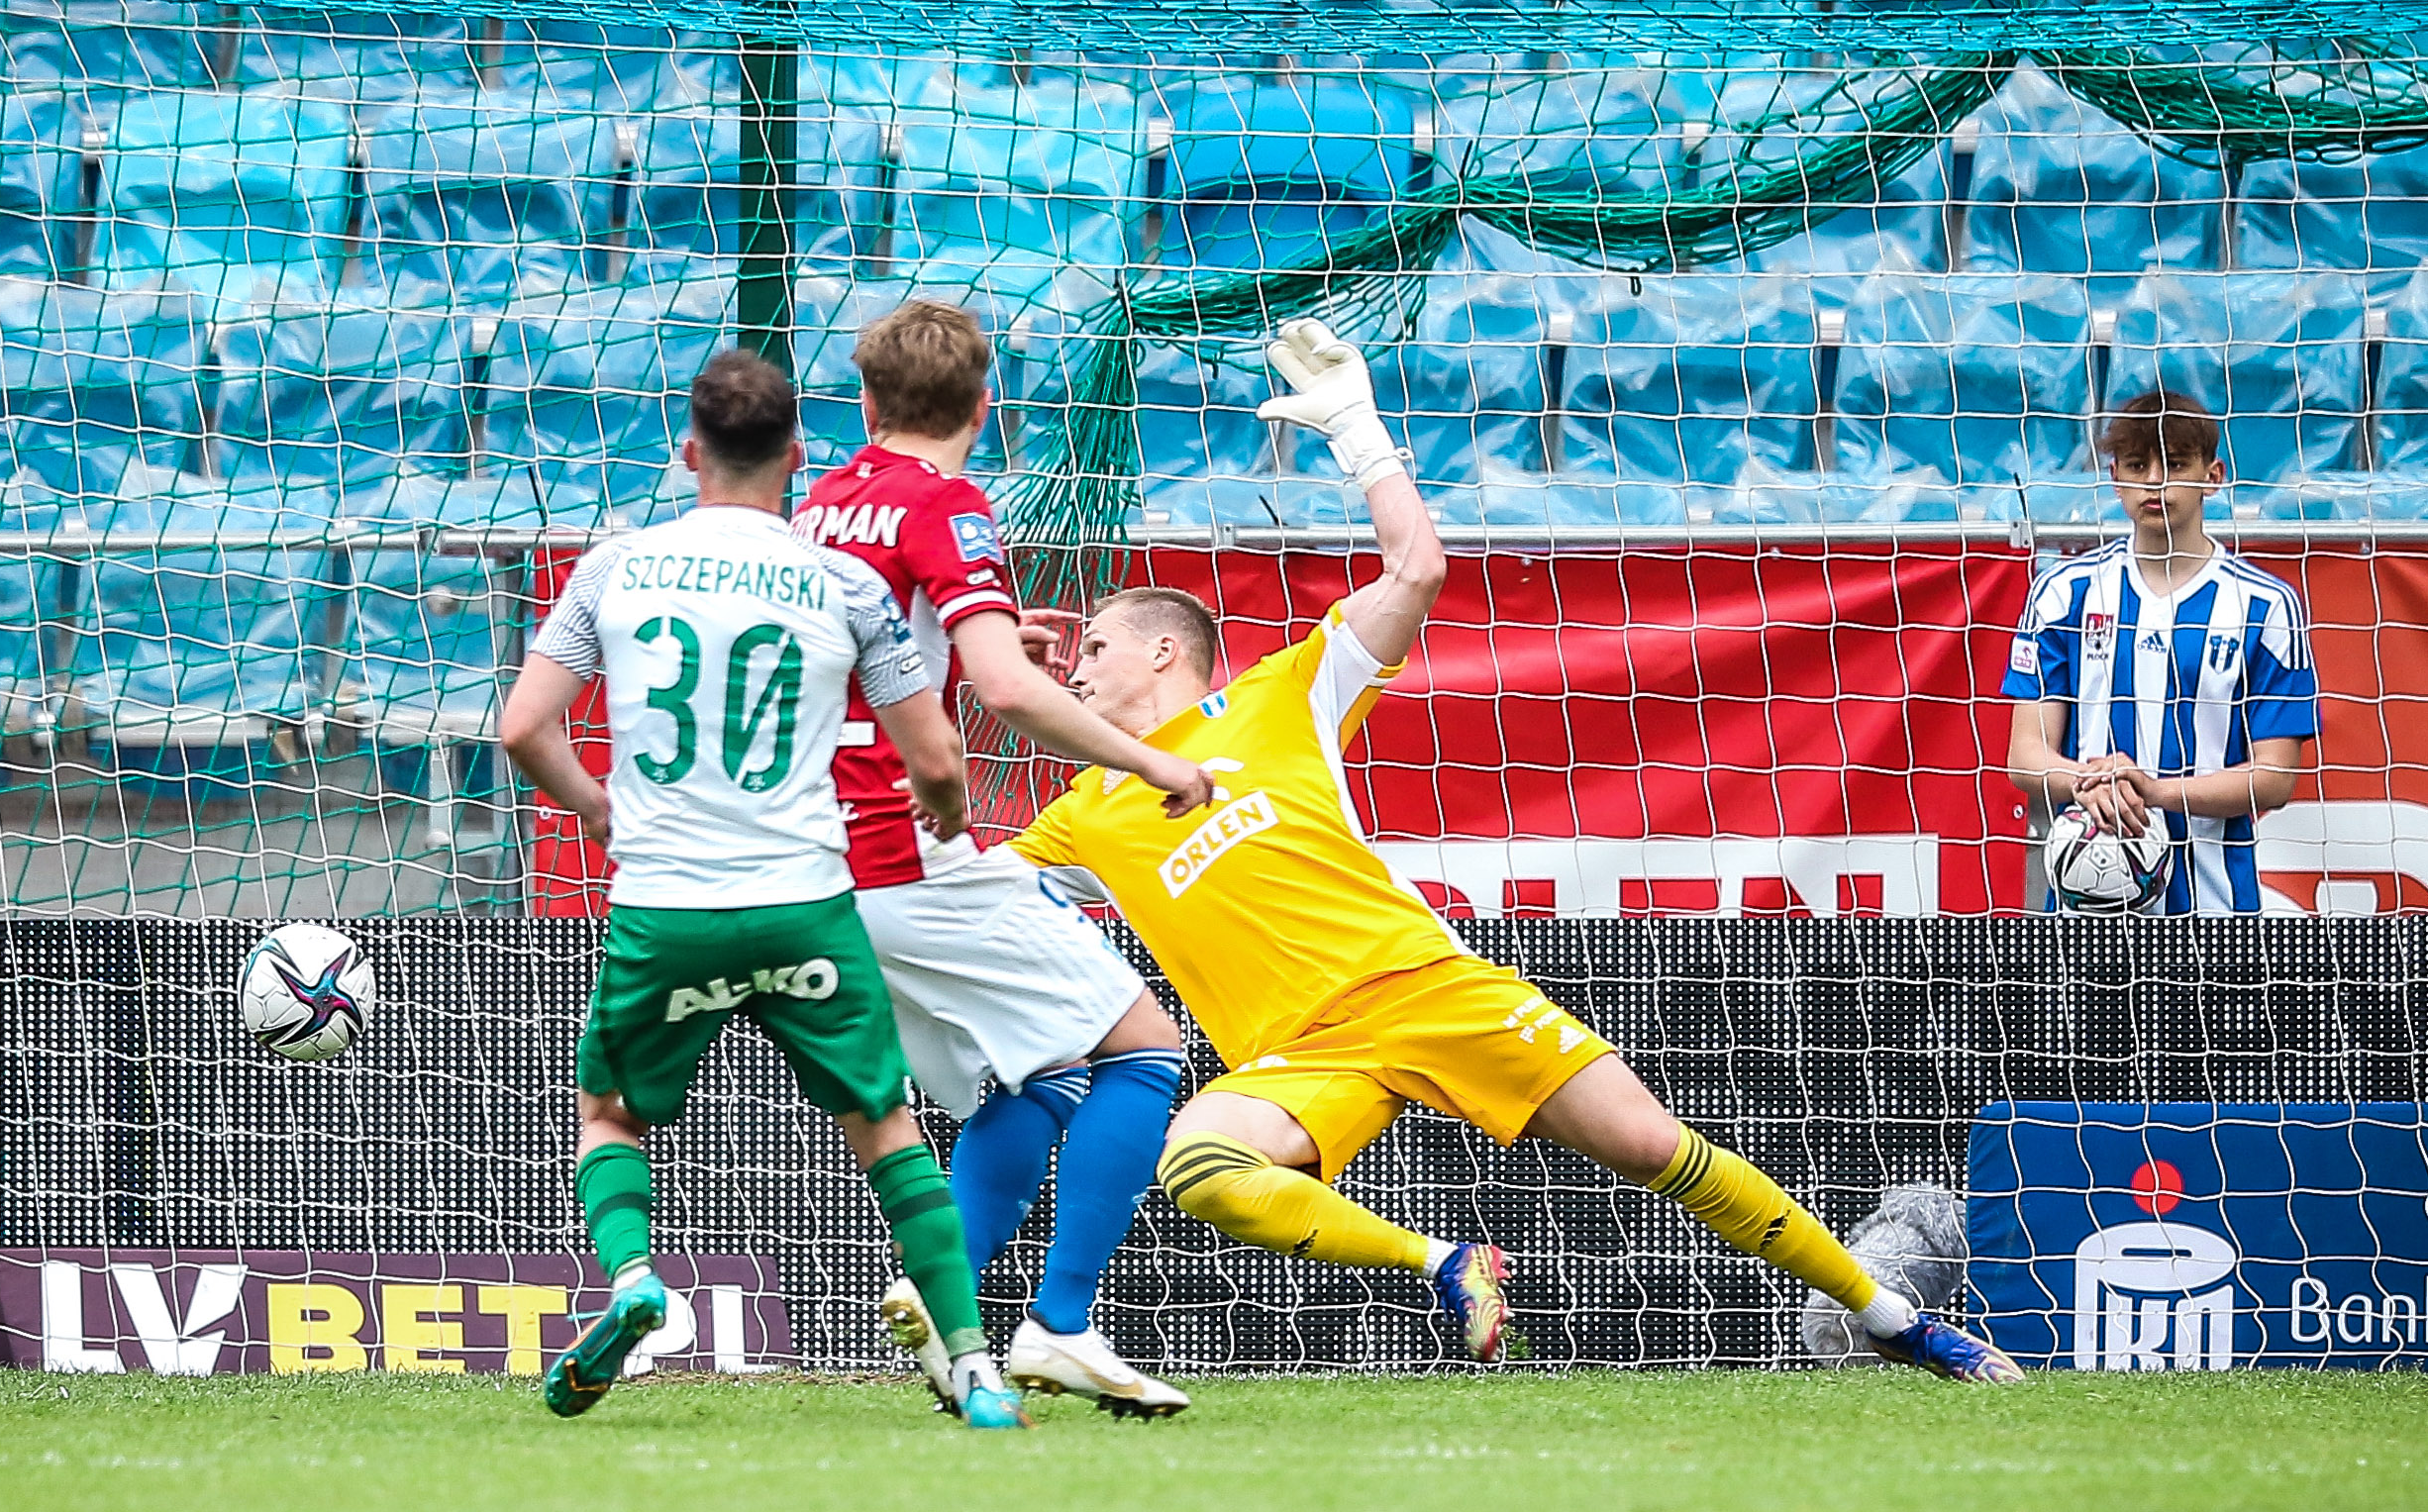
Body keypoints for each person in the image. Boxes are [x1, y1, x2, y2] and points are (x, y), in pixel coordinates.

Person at [1006, 319, 2025, 1384]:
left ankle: (1887, 1313)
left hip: (1423, 986)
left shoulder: (1275, 696)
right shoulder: (1083, 810)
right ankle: (1448, 1262)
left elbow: (1416, 566)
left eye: (1093, 647)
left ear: (1165, 649)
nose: (1073, 668)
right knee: (1202, 1169)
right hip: (1300, 1054)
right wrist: (970, 661)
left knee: (1653, 1150)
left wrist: (1356, 430)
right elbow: (957, 878)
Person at [498, 349, 1025, 1429]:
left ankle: (637, 1278)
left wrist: (598, 808)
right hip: (805, 900)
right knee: (883, 1124)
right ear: (796, 456)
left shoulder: (614, 566)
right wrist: (944, 808)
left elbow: (519, 728)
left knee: (609, 1114)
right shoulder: (840, 580)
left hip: (668, 906)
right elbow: (933, 755)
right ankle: (971, 1360)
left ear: (687, 451)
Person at [793, 300, 1211, 1417]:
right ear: (985, 406)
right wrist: (1153, 764)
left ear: (867, 401)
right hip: (901, 849)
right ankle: (1059, 1325)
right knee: (1144, 1051)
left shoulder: (820, 506)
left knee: (1032, 1075)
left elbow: (854, 666)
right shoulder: (947, 504)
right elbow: (1010, 693)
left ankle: (945, 1303)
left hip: (804, 861)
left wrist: (954, 642)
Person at [2004, 390, 2319, 913]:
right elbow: (2025, 757)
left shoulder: (2265, 605)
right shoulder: (2062, 592)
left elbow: (2275, 777)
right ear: (2115, 477)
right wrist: (2089, 784)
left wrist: (2156, 793)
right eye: (2137, 464)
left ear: (2213, 476)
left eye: (2174, 464)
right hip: (2083, 912)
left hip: (2215, 910)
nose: (2154, 480)